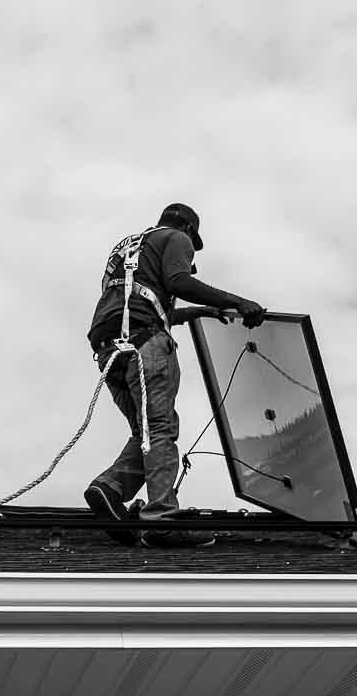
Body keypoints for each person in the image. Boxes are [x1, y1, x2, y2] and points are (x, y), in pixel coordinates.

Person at [83, 202, 265, 547]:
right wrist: (240, 301)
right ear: (190, 231)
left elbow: (146, 301)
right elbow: (178, 281)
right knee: (162, 429)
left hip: (110, 348)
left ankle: (109, 488)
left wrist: (205, 311)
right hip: (145, 346)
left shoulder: (130, 248)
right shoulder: (176, 238)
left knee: (146, 431)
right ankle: (161, 518)